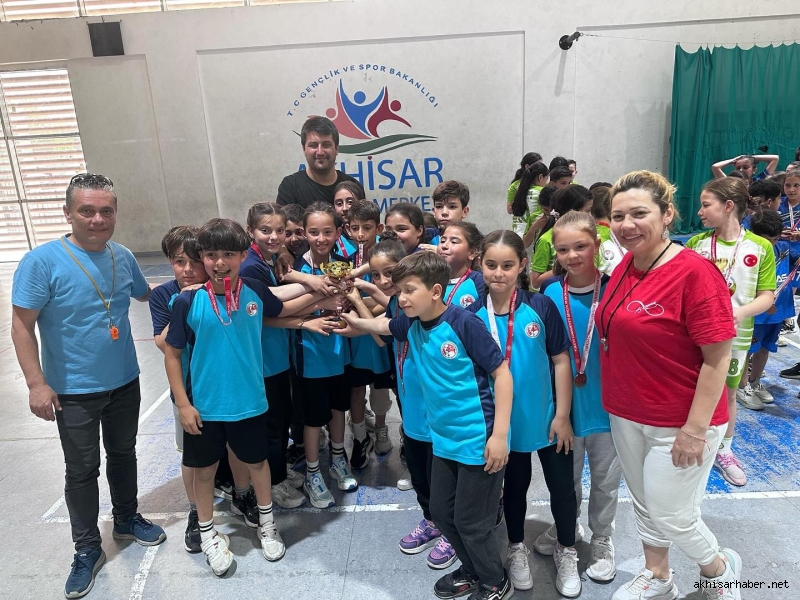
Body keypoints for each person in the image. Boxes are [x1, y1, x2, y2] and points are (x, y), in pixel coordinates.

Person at [11, 173, 166, 599]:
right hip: (72, 390)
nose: (98, 219)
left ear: (115, 213)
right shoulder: (41, 262)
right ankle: (86, 549)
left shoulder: (122, 255)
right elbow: (21, 326)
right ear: (68, 213)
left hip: (124, 381)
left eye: (106, 211)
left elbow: (145, 294)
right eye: (87, 211)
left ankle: (126, 518)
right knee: (81, 470)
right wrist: (36, 383)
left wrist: (198, 283)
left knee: (124, 454)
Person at [598, 170, 743, 600]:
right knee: (645, 503)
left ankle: (720, 569)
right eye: (618, 216)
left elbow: (718, 358)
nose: (627, 225)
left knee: (673, 513)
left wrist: (695, 430)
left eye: (639, 213)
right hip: (627, 411)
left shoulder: (694, 273)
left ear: (666, 214)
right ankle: (658, 576)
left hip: (680, 420)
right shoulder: (626, 265)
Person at [343, 251, 515, 600]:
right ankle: (472, 569)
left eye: (409, 290)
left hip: (478, 439)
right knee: (441, 512)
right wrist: (354, 320)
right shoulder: (411, 323)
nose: (402, 299)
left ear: (436, 291)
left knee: (471, 522)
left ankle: (495, 582)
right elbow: (383, 327)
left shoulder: (464, 323)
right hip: (444, 440)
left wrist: (499, 436)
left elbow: (502, 374)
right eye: (399, 291)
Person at [165, 218, 293, 576]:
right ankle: (208, 535)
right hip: (204, 408)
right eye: (210, 255)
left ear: (242, 255)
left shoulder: (255, 290)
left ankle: (267, 525)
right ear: (202, 257)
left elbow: (283, 310)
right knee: (205, 472)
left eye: (228, 254)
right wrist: (183, 404)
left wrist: (325, 295)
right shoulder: (187, 300)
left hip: (250, 403)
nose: (219, 262)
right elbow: (172, 355)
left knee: (258, 465)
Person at [469, 230, 579, 596]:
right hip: (504, 426)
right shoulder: (471, 316)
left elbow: (560, 360)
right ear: (480, 264)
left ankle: (566, 549)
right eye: (491, 265)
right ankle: (516, 547)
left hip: (546, 419)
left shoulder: (540, 306)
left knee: (562, 489)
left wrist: (562, 415)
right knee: (514, 490)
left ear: (522, 265)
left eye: (507, 265)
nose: (498, 273)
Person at [541, 212, 622, 587]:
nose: (572, 256)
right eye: (563, 249)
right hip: (566, 409)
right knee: (567, 481)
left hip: (609, 408)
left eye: (580, 246)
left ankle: (602, 538)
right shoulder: (549, 294)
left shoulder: (617, 288)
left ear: (597, 245)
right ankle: (566, 528)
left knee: (606, 481)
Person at [687, 178, 775, 486]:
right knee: (690, 388)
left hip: (735, 336)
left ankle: (724, 449)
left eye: (705, 205)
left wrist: (739, 312)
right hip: (694, 336)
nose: (700, 212)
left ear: (727, 206)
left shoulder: (760, 247)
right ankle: (688, 438)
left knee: (728, 393)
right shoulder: (695, 245)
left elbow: (767, 296)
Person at [292, 202, 357, 507]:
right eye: (314, 232)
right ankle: (313, 472)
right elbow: (286, 308)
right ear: (304, 233)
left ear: (338, 232)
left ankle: (338, 458)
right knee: (313, 418)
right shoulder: (294, 268)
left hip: (339, 351)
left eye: (327, 232)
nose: (321, 238)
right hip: (310, 355)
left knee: (338, 408)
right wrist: (321, 303)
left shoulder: (344, 264)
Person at [149, 226, 209, 554]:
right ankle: (195, 511)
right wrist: (184, 301)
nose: (187, 269)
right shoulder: (163, 295)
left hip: (220, 385)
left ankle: (237, 492)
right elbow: (162, 343)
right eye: (179, 262)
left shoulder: (217, 287)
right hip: (185, 389)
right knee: (192, 454)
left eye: (194, 261)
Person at [345, 199, 394, 458]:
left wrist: (356, 302)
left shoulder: (387, 260)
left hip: (380, 338)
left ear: (379, 228)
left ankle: (382, 429)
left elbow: (387, 303)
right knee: (355, 390)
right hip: (354, 341)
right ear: (348, 229)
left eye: (367, 227)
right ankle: (360, 436)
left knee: (380, 390)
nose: (361, 234)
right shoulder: (344, 261)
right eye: (355, 228)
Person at [737, 210, 799, 409]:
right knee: (747, 350)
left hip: (778, 311)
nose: (771, 244)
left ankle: (754, 382)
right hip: (757, 314)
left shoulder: (784, 248)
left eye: (775, 239)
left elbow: (796, 261)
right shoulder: (747, 254)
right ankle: (741, 387)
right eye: (766, 239)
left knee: (765, 349)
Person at [276, 116, 360, 208]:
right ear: (304, 149)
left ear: (336, 149)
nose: (320, 152)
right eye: (313, 145)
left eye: (326, 145)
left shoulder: (353, 188)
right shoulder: (290, 187)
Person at [530, 185, 594, 289]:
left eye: (580, 247)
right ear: (573, 212)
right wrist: (563, 266)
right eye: (588, 211)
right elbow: (536, 282)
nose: (591, 216)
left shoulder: (588, 235)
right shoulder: (546, 240)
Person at [439, 222, 485, 308]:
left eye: (454, 242)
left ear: (472, 253)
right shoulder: (431, 279)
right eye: (442, 241)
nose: (444, 246)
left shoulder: (480, 282)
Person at [509, 162, 549, 240]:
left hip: (516, 236)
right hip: (530, 237)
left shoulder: (519, 191)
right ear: (540, 177)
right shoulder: (542, 192)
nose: (546, 182)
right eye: (546, 178)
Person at [332, 180, 364, 258]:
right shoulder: (332, 241)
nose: (345, 208)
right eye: (339, 204)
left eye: (350, 202)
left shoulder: (377, 240)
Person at [711, 153, 780, 182]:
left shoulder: (759, 180)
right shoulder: (730, 184)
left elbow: (775, 158)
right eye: (738, 168)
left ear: (754, 170)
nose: (741, 170)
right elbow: (715, 167)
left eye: (745, 167)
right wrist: (733, 160)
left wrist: (750, 158)